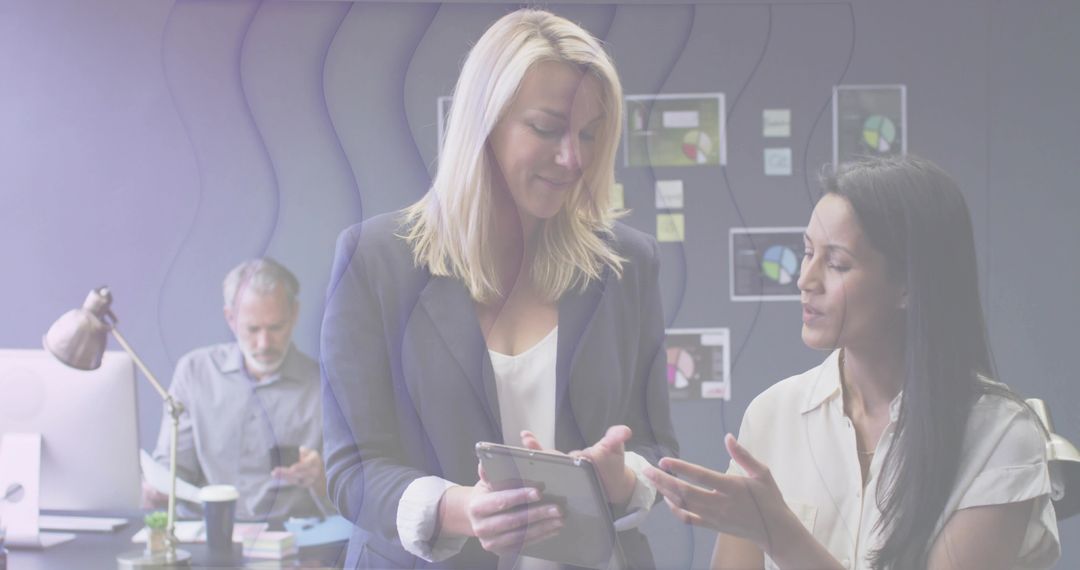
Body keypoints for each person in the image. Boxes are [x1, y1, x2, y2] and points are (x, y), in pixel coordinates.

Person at [321, 8, 678, 569]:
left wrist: (622, 476)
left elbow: (657, 444)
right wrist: (460, 508)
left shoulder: (627, 264)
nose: (574, 158)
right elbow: (352, 469)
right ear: (482, 122)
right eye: (547, 128)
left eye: (589, 133)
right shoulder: (374, 260)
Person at [645, 156, 1061, 569]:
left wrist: (781, 535)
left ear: (908, 285)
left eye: (837, 263)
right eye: (807, 253)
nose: (805, 280)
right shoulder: (774, 415)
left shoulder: (998, 435)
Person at [145, 258, 331, 520]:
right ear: (230, 319)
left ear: (294, 314)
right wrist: (158, 489)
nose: (264, 343)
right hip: (208, 533)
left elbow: (353, 499)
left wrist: (321, 480)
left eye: (276, 327)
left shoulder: (324, 386)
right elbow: (174, 471)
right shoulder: (195, 372)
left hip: (294, 542)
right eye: (252, 329)